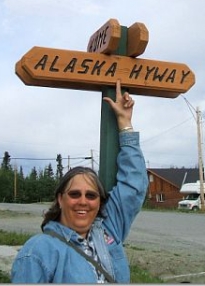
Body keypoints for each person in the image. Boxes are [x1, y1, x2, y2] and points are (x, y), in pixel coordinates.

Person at [11, 80, 148, 283]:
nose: (83, 201)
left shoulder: (109, 230)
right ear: (60, 199)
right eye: (75, 194)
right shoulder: (39, 250)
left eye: (91, 195)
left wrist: (125, 124)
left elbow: (134, 184)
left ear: (100, 201)